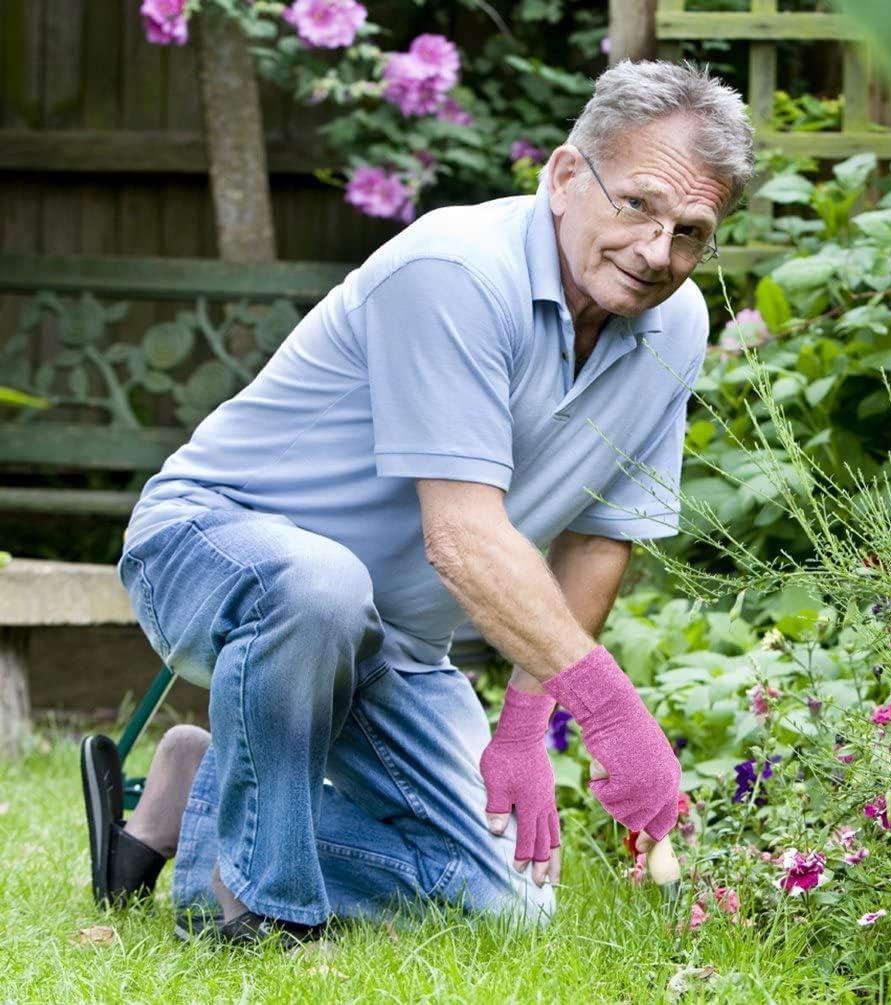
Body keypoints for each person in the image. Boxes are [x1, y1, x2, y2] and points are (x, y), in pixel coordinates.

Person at [84, 59, 753, 944]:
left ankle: (197, 786)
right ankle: (254, 906)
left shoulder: (676, 324)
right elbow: (463, 537)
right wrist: (609, 712)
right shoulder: (457, 269)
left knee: (506, 907)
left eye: (690, 231)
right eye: (636, 205)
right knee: (318, 582)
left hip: (394, 640)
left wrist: (523, 725)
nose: (656, 252)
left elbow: (597, 535)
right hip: (215, 548)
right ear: (563, 176)